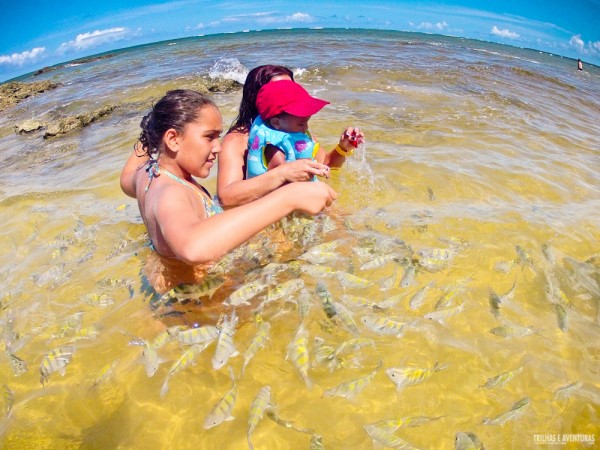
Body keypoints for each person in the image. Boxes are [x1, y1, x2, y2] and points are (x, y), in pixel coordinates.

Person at [119, 89, 336, 270]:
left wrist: (150, 134)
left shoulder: (146, 173)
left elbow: (125, 179)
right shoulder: (172, 192)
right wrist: (289, 197)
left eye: (219, 137)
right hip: (198, 306)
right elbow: (193, 248)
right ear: (173, 139)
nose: (218, 147)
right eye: (209, 137)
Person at [217, 64, 363, 207]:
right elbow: (227, 197)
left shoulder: (296, 129)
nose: (289, 93)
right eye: (279, 89)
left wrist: (343, 148)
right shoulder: (236, 141)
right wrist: (282, 173)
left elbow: (325, 165)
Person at [246, 79, 344, 179]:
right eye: (301, 124)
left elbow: (327, 163)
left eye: (307, 121)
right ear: (276, 123)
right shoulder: (273, 148)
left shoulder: (293, 132)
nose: (306, 127)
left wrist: (344, 147)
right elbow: (279, 182)